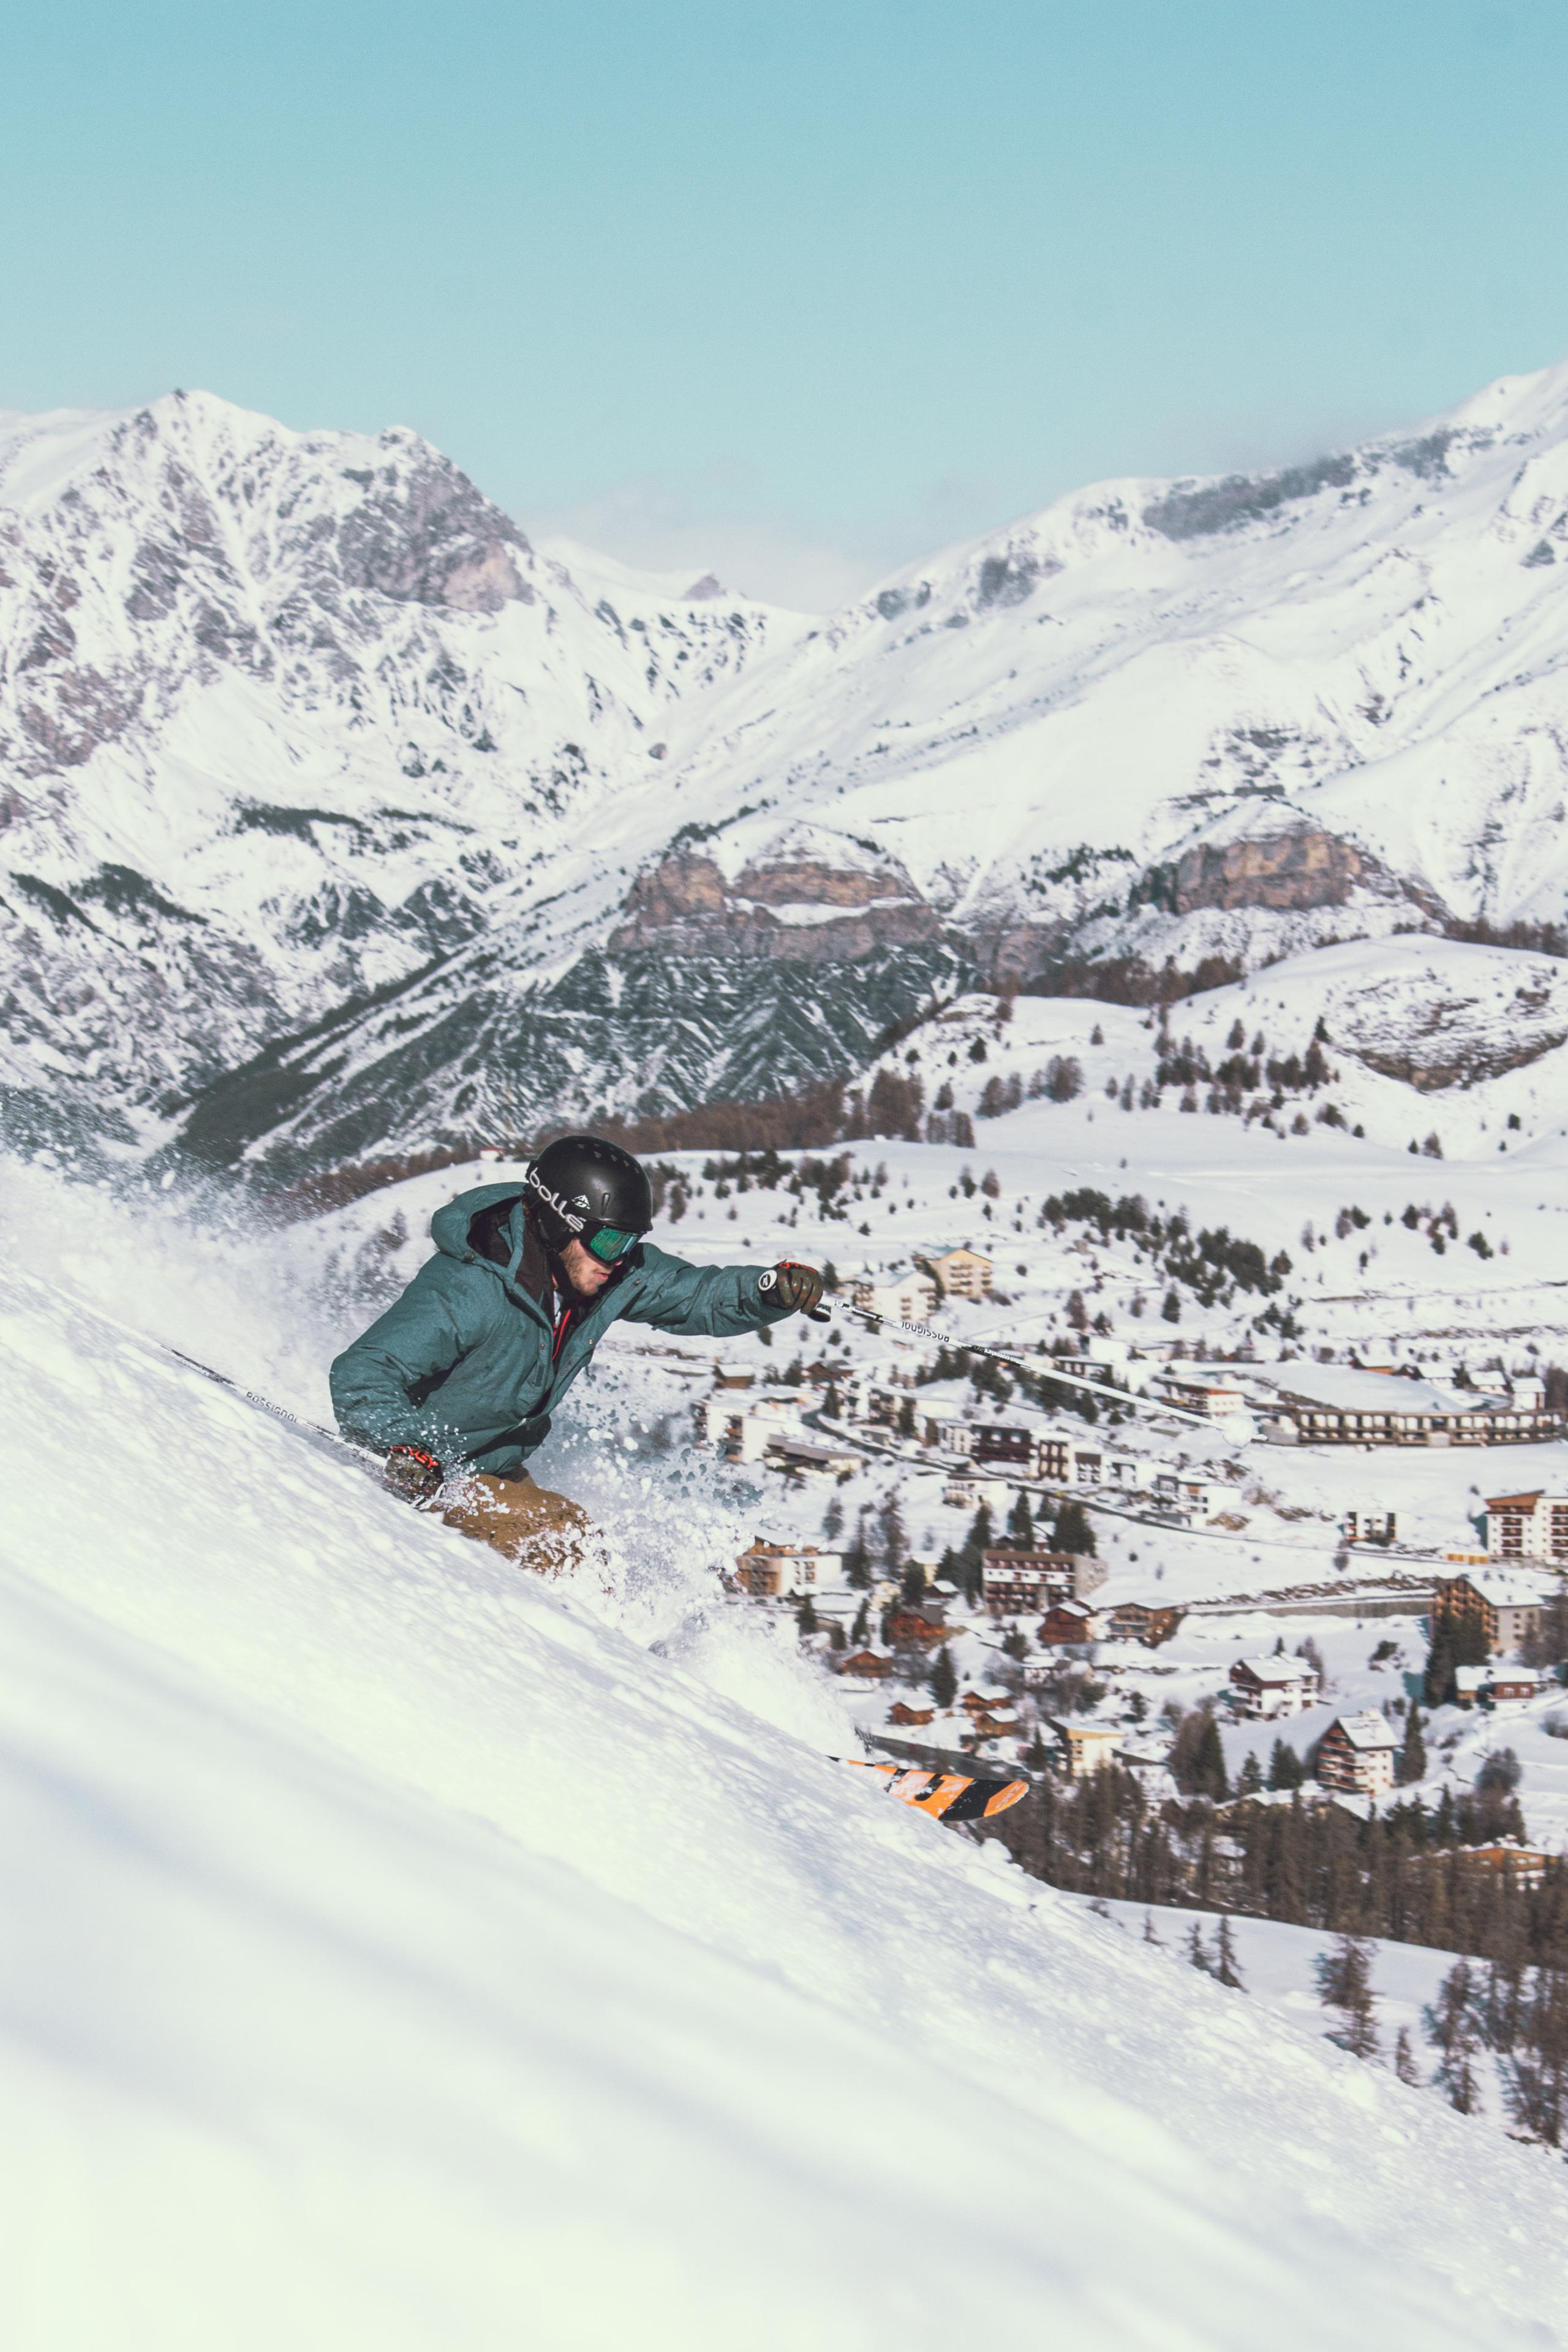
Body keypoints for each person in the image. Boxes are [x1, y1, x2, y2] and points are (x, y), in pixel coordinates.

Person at [330, 1133, 825, 1574]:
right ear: (557, 1222)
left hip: (488, 1468)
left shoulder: (601, 1271)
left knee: (582, 1542)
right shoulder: (468, 1289)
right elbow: (363, 1372)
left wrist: (766, 1292)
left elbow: (692, 1295)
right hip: (422, 1471)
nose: (619, 1256)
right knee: (557, 1551)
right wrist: (405, 1445)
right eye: (610, 1239)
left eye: (632, 1241)